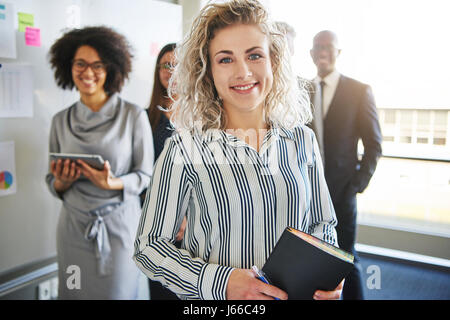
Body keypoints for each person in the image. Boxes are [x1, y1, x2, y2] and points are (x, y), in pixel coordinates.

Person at [134, 0, 343, 300]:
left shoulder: (302, 141)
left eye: (254, 55)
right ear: (208, 71)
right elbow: (148, 247)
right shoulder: (185, 148)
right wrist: (222, 282)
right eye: (225, 59)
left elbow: (323, 224)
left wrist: (326, 270)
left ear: (274, 61)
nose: (243, 72)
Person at [46, 26, 154, 299]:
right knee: (73, 293)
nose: (87, 72)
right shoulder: (60, 120)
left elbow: (146, 175)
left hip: (117, 231)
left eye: (97, 65)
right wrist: (61, 182)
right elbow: (51, 180)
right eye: (80, 63)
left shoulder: (132, 116)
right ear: (68, 65)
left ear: (111, 69)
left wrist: (113, 182)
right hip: (72, 231)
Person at [309, 30, 382, 300]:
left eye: (328, 46)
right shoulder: (302, 91)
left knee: (346, 260)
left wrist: (357, 184)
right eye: (317, 47)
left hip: (343, 192)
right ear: (311, 54)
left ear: (338, 53)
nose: (323, 51)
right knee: (313, 258)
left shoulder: (358, 90)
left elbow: (374, 144)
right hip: (309, 194)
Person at [144, 42, 183, 300]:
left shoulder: (204, 117)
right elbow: (142, 174)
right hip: (155, 221)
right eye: (165, 65)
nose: (171, 70)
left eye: (177, 64)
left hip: (192, 224)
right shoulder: (144, 118)